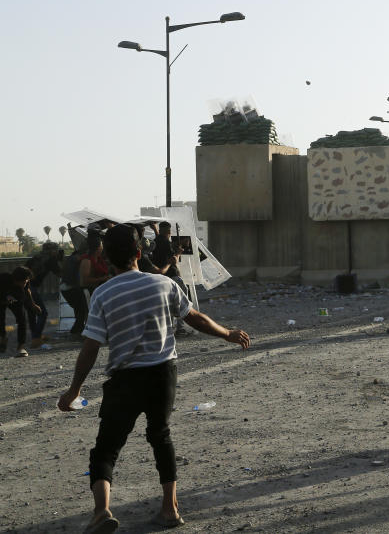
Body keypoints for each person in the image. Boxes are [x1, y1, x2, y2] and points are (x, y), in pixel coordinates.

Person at [57, 224, 250, 533]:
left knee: (106, 448)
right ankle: (169, 508)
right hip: (163, 373)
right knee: (160, 436)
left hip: (125, 379)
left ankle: (102, 512)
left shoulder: (103, 294)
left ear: (105, 259)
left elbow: (90, 348)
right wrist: (228, 333)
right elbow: (195, 318)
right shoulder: (164, 284)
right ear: (139, 253)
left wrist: (73, 391)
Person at [152, 222, 190, 337]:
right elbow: (173, 260)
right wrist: (178, 253)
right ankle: (180, 328)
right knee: (181, 299)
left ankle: (170, 328)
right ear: (169, 231)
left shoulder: (156, 241)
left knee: (167, 302)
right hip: (172, 275)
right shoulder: (166, 243)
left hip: (162, 277)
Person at [24, 242, 63, 348]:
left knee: (32, 312)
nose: (56, 252)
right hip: (30, 288)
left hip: (22, 286)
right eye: (55, 250)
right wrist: (59, 261)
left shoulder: (35, 257)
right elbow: (60, 273)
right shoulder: (51, 260)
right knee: (43, 313)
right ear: (52, 251)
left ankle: (35, 336)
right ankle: (36, 339)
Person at [1, 266, 42, 357]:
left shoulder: (24, 283)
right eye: (25, 280)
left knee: (22, 320)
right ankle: (3, 338)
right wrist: (5, 300)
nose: (26, 281)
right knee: (1, 319)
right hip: (1, 297)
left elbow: (27, 291)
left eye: (27, 280)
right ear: (17, 280)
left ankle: (21, 347)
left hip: (16, 299)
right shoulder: (3, 278)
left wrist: (33, 304)